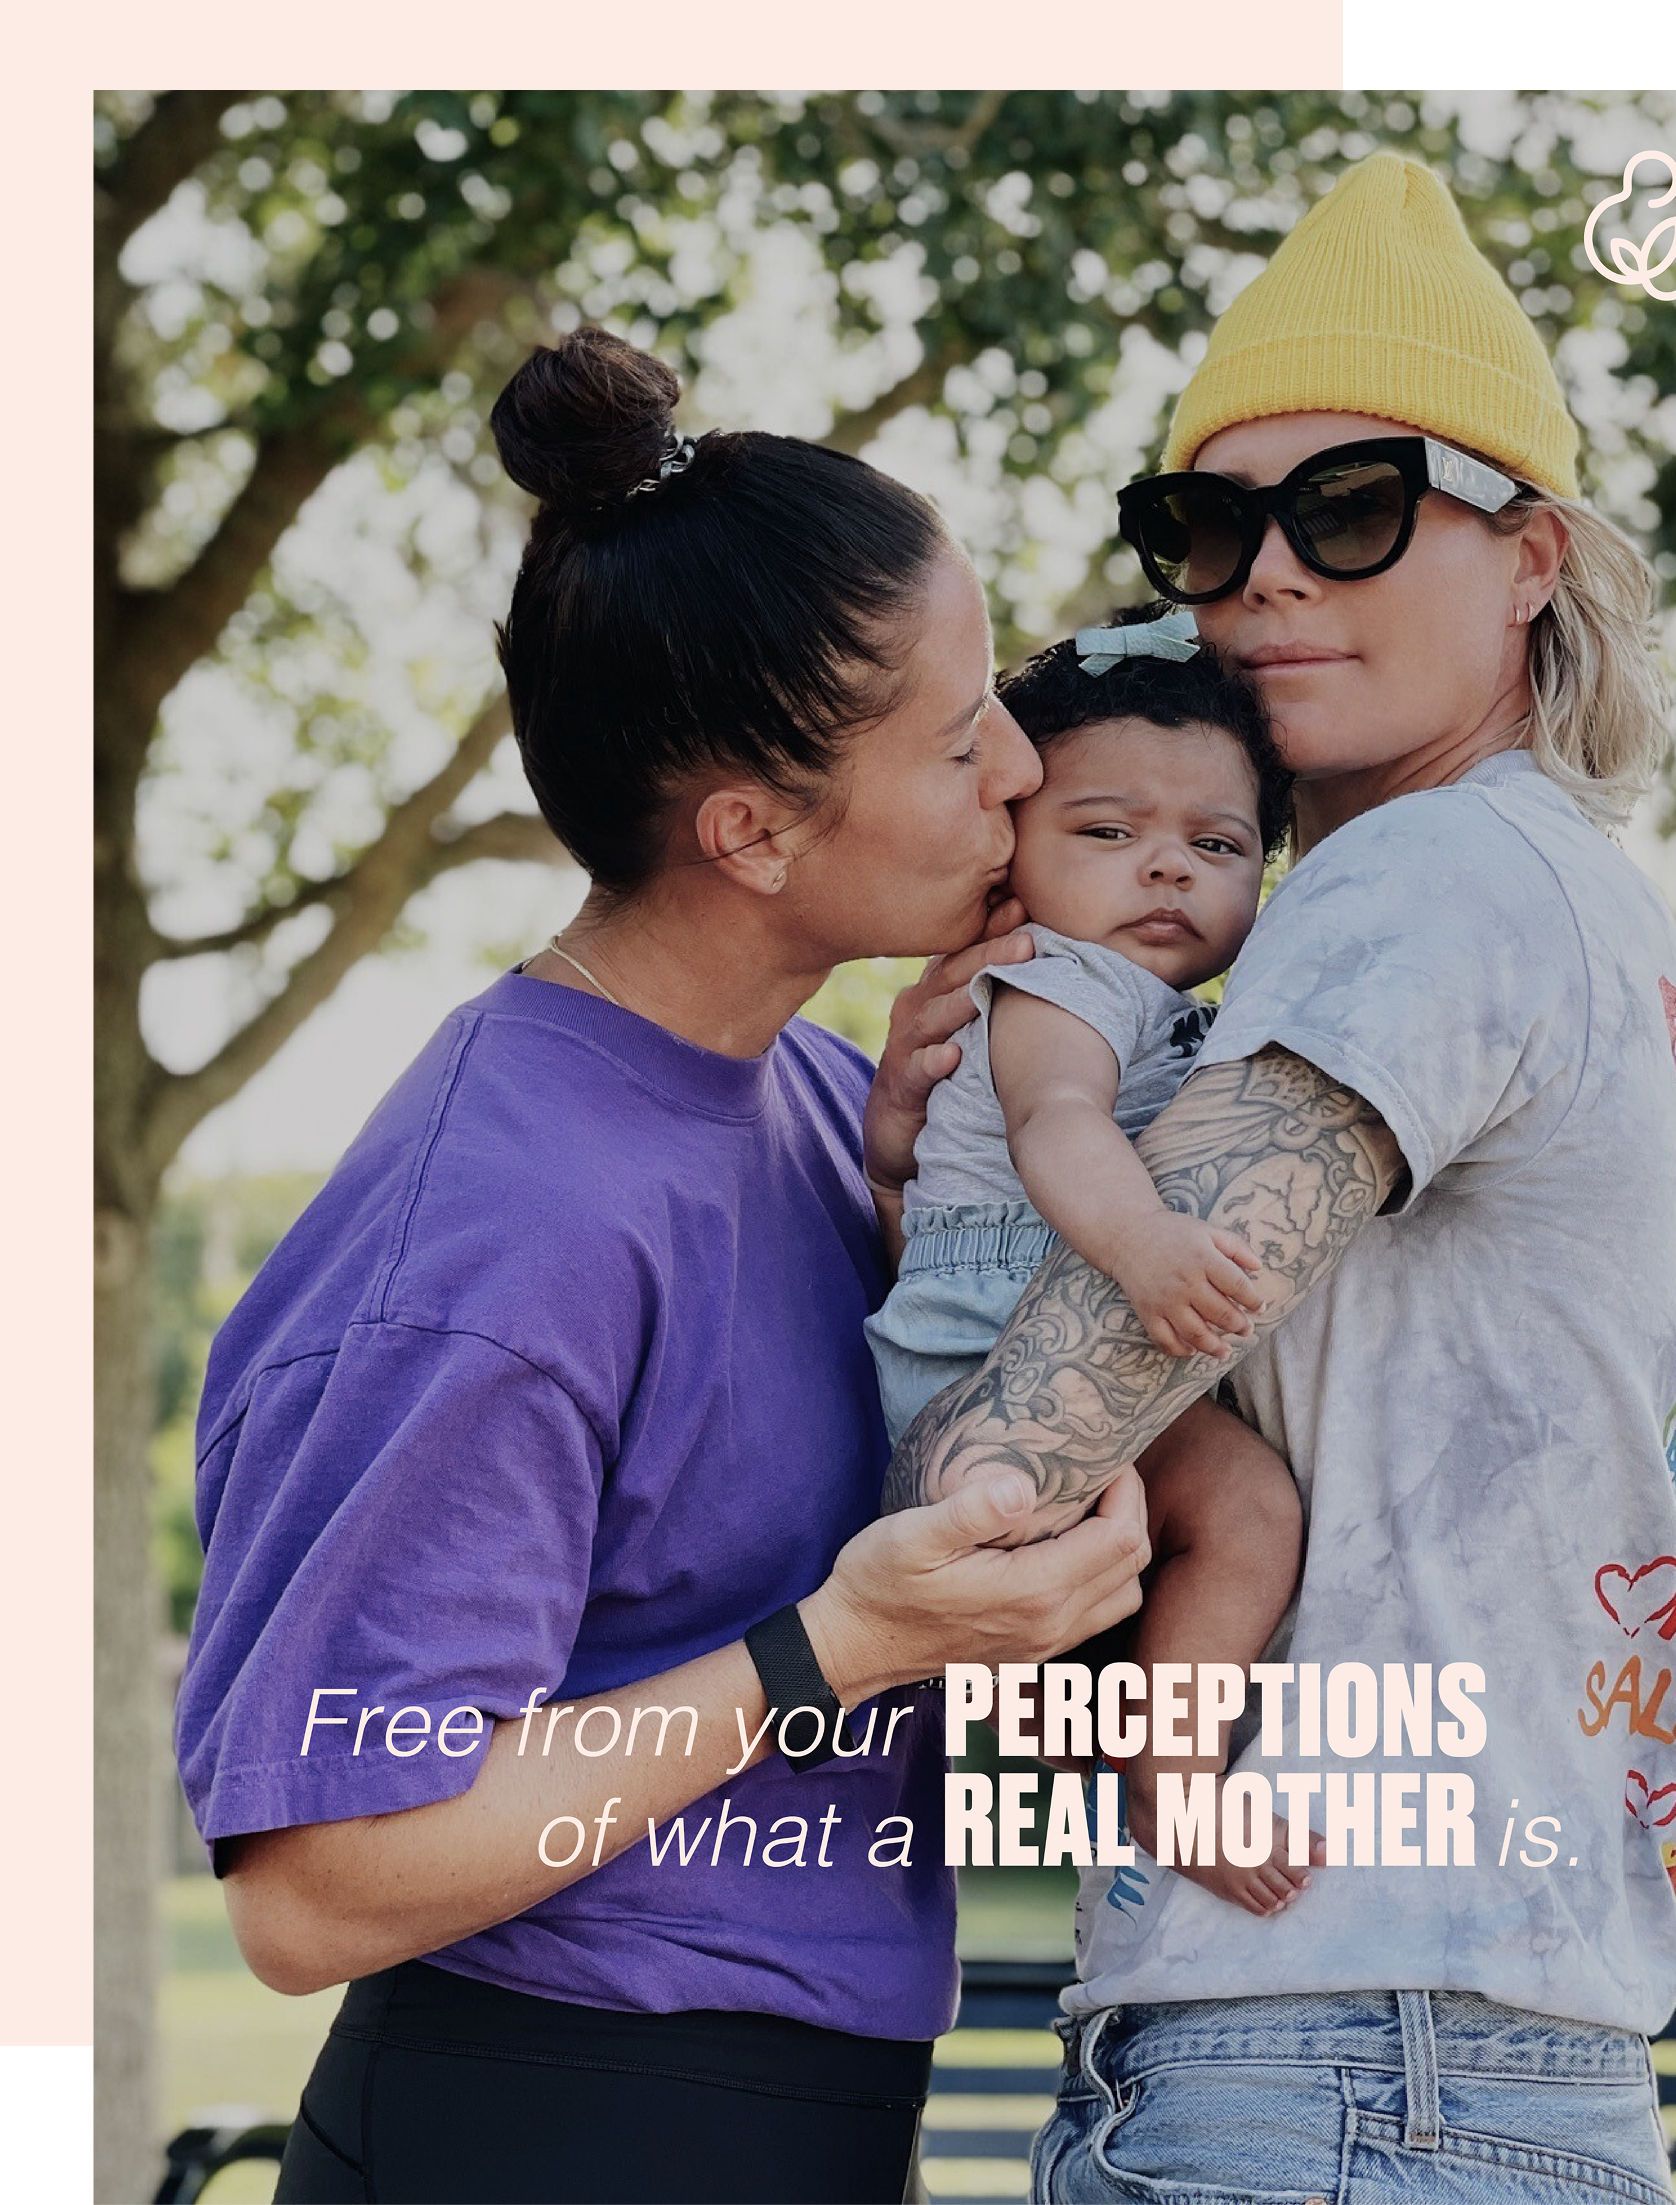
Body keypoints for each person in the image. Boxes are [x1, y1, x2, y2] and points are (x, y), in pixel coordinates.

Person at [173, 324, 1152, 2205]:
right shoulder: (501, 1217)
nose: (1024, 772)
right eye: (959, 740)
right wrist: (837, 1649)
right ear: (750, 832)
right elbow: (312, 1886)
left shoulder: (828, 1103)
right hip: (552, 2129)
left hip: (798, 2119)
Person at [882, 153, 1676, 2205]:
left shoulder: (1423, 878)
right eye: (1205, 523)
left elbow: (1002, 1472)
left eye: (1349, 509)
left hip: (1344, 2056)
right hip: (1435, 2048)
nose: (1258, 576)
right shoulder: (1555, 890)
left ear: (1527, 558)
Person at [866, 608, 1313, 1915]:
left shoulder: (1167, 1008)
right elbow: (1056, 1121)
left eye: (1216, 845)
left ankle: (1104, 1753)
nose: (1166, 868)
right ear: (1012, 854)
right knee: (1247, 1514)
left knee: (1082, 1642)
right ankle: (1176, 1781)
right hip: (994, 1361)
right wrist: (1146, 1246)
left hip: (1017, 1365)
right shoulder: (1061, 982)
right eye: (1107, 833)